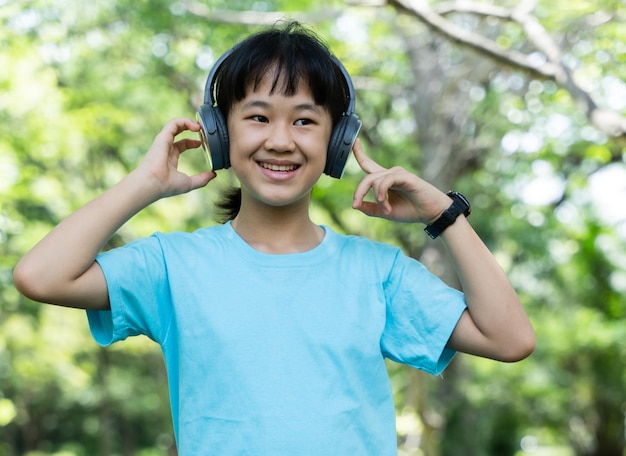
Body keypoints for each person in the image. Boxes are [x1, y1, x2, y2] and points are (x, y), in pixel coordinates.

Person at [13, 21, 534, 455]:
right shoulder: (173, 265)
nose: (281, 140)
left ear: (336, 142)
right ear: (219, 133)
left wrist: (445, 214)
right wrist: (143, 185)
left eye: (305, 121)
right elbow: (40, 276)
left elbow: (509, 339)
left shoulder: (377, 272)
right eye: (258, 117)